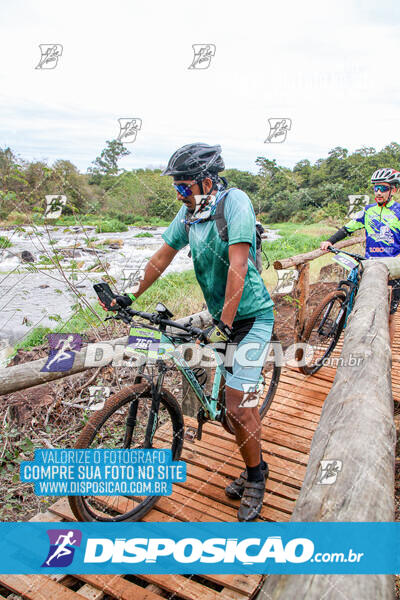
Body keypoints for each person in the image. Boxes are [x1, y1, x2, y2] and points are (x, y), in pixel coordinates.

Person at [100, 143, 275, 521]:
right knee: (229, 409)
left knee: (238, 409)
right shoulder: (190, 213)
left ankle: (256, 475)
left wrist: (225, 323)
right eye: (175, 189)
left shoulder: (235, 202)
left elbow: (239, 265)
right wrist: (128, 294)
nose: (179, 195)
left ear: (208, 181)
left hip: (251, 318)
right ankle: (238, 432)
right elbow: (161, 256)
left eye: (184, 187)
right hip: (221, 317)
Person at [320, 168, 400, 345]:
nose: (378, 192)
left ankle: (386, 353)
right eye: (375, 188)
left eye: (383, 188)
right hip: (369, 264)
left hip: (392, 270)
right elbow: (347, 228)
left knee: (389, 314)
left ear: (393, 190)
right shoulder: (368, 211)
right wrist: (330, 241)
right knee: (361, 303)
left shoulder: (398, 212)